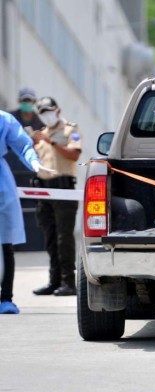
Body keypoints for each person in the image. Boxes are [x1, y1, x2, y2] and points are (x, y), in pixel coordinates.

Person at [31, 97, 82, 296]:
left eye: (49, 111)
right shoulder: (41, 135)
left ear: (57, 111)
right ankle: (54, 281)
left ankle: (68, 282)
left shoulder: (71, 130)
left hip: (63, 190)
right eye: (42, 112)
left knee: (64, 238)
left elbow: (74, 155)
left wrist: (51, 142)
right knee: (49, 237)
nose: (46, 115)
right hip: (44, 191)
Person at [0, 111, 46, 313]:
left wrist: (34, 163)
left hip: (1, 186)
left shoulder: (3, 120)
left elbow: (23, 144)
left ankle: (5, 298)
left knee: (5, 243)